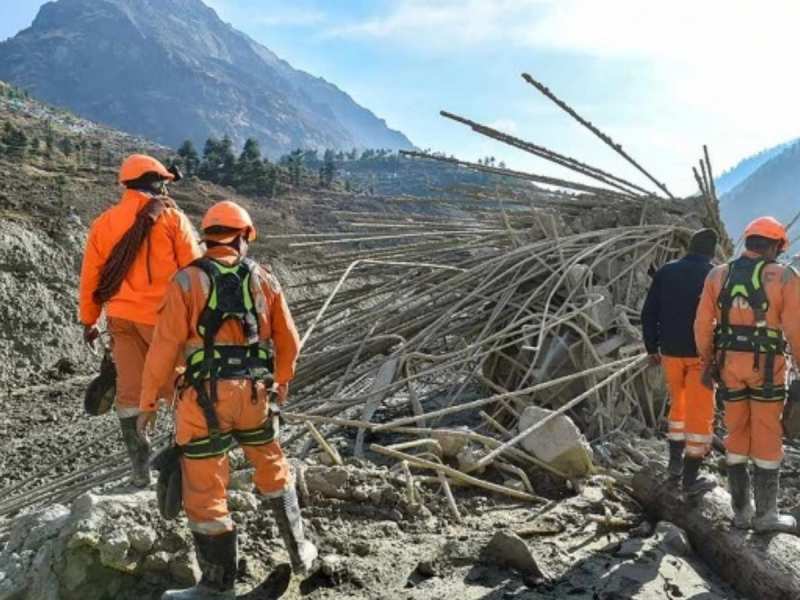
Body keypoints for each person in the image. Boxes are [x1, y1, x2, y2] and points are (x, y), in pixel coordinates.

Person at [137, 201, 316, 599]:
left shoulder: (186, 282)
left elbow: (163, 350)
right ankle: (300, 552)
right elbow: (289, 341)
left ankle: (216, 587)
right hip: (254, 395)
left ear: (210, 236)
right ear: (243, 237)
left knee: (204, 489)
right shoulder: (265, 280)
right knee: (271, 464)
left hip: (203, 399)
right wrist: (281, 382)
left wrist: (148, 402)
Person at [79, 154, 201, 487]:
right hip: (164, 322)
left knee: (130, 394)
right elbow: (195, 270)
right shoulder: (173, 220)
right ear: (156, 182)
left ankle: (140, 470)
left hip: (120, 320)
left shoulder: (103, 223)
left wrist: (89, 320)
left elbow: (91, 276)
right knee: (178, 389)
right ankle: (184, 465)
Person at [695, 216, 800, 532]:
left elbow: (702, 325)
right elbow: (796, 329)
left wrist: (706, 363)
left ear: (749, 240)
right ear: (774, 246)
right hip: (767, 368)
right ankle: (766, 515)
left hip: (728, 367)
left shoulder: (718, 274)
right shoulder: (784, 277)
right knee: (767, 434)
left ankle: (740, 513)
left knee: (736, 431)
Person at [642, 228, 718, 495]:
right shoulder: (715, 275)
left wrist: (651, 347)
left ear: (690, 247)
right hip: (700, 356)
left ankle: (674, 467)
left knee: (678, 407)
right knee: (700, 414)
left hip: (670, 353)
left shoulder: (666, 271)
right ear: (711, 251)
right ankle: (690, 479)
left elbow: (649, 311)